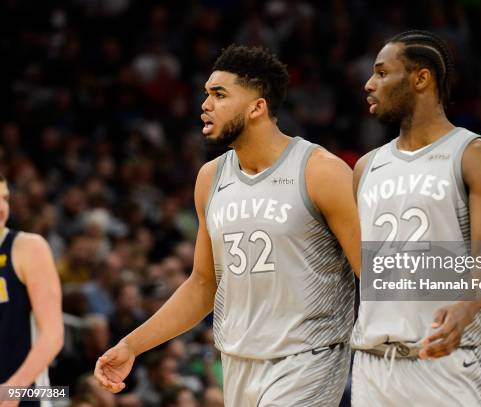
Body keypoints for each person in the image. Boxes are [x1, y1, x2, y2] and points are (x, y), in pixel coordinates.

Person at [94, 45, 360, 406]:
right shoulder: (210, 178)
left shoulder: (320, 170)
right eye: (206, 94)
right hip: (237, 363)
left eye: (219, 94)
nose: (205, 104)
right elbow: (203, 285)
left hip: (309, 359)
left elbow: (372, 268)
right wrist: (131, 345)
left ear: (257, 107)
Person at [350, 30, 481, 406]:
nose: (369, 84)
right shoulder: (365, 167)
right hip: (374, 368)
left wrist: (466, 305)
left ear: (421, 78)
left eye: (382, 73)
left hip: (447, 364)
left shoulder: (477, 155)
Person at [0, 173, 64, 407]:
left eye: (5, 198)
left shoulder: (27, 248)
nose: (1, 208)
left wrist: (11, 392)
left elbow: (53, 335)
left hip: (25, 396)